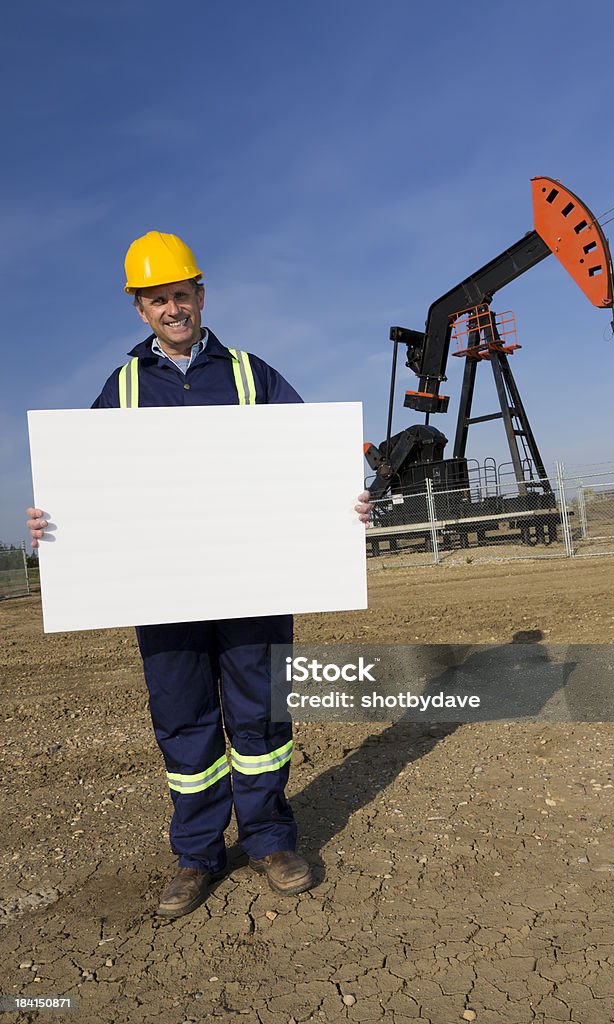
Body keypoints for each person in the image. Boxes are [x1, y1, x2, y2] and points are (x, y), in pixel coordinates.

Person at [27, 231, 373, 919]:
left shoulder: (251, 375)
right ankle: (196, 855)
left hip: (254, 582)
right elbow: (87, 487)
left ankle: (270, 840)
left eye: (181, 294)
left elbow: (308, 460)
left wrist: (344, 498)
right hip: (163, 591)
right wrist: (52, 522)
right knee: (184, 722)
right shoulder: (121, 388)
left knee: (259, 711)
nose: (172, 308)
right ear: (140, 309)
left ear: (201, 296)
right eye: (157, 299)